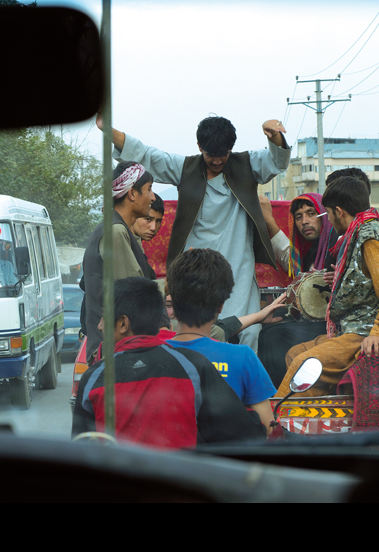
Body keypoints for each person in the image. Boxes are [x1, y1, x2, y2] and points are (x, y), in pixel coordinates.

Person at [100, 113, 290, 352]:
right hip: (196, 272)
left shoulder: (247, 164)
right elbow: (147, 155)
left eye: (224, 155)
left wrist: (276, 139)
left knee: (250, 333)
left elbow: (277, 161)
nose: (218, 161)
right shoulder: (185, 168)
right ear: (199, 147)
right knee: (197, 338)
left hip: (239, 268)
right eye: (211, 155)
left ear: (231, 148)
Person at [71, 276, 266, 448]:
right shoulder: (193, 367)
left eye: (104, 318)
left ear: (123, 323)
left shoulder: (94, 378)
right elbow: (246, 435)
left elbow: (82, 454)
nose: (99, 325)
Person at [274, 177, 379, 398]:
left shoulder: (370, 237)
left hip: (365, 333)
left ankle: (280, 424)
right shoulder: (358, 233)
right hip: (350, 330)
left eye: (327, 213)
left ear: (338, 212)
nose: (327, 219)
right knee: (296, 353)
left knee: (303, 364)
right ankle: (316, 418)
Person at [164, 248, 279, 433]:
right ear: (221, 305)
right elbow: (269, 430)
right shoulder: (242, 357)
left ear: (173, 303)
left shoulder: (153, 355)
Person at [255, 192, 339, 387]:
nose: (305, 222)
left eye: (311, 214)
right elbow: (290, 259)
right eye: (299, 217)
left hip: (333, 327)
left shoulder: (337, 247)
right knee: (266, 331)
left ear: (325, 216)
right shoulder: (311, 252)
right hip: (313, 323)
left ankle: (279, 396)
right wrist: (268, 220)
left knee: (273, 336)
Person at [81, 161, 155, 364]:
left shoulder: (118, 229)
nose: (153, 198)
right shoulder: (115, 231)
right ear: (132, 194)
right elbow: (136, 293)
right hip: (113, 355)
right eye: (149, 189)